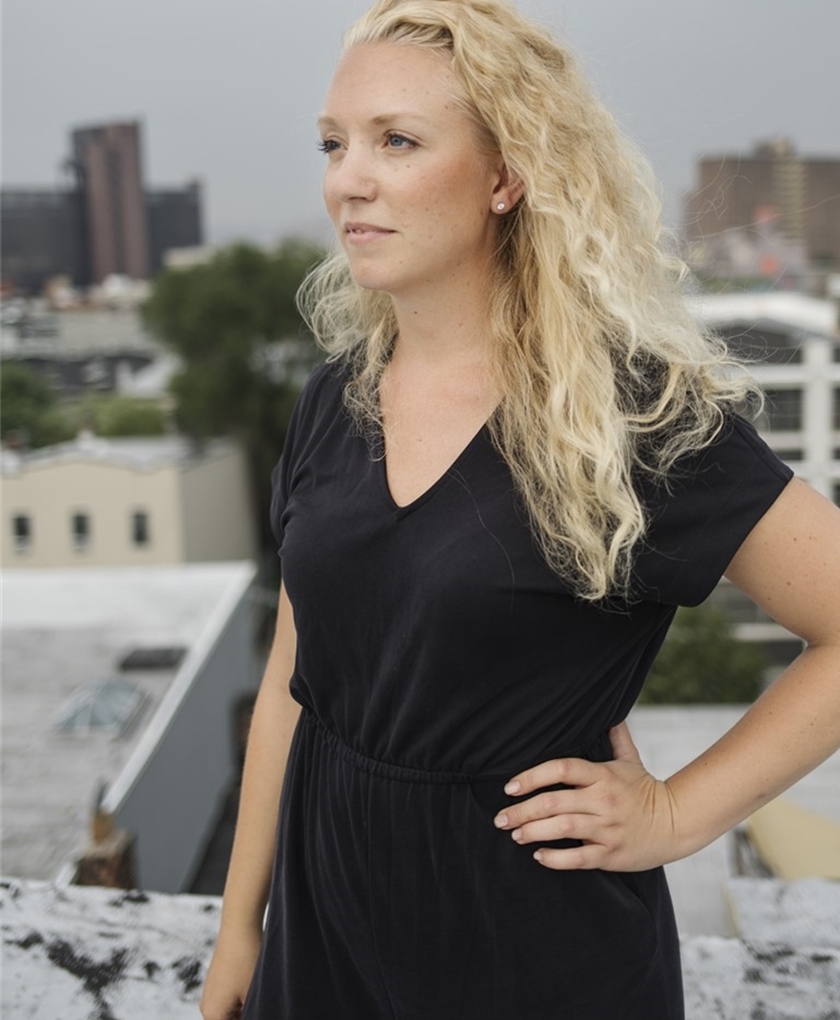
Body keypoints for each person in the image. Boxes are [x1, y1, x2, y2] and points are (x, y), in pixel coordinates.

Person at [200, 1, 840, 1017]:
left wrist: (675, 815)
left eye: (397, 141)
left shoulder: (631, 416)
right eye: (333, 143)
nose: (347, 179)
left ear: (505, 175)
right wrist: (241, 928)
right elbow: (293, 677)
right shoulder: (334, 400)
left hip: (536, 957)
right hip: (324, 942)